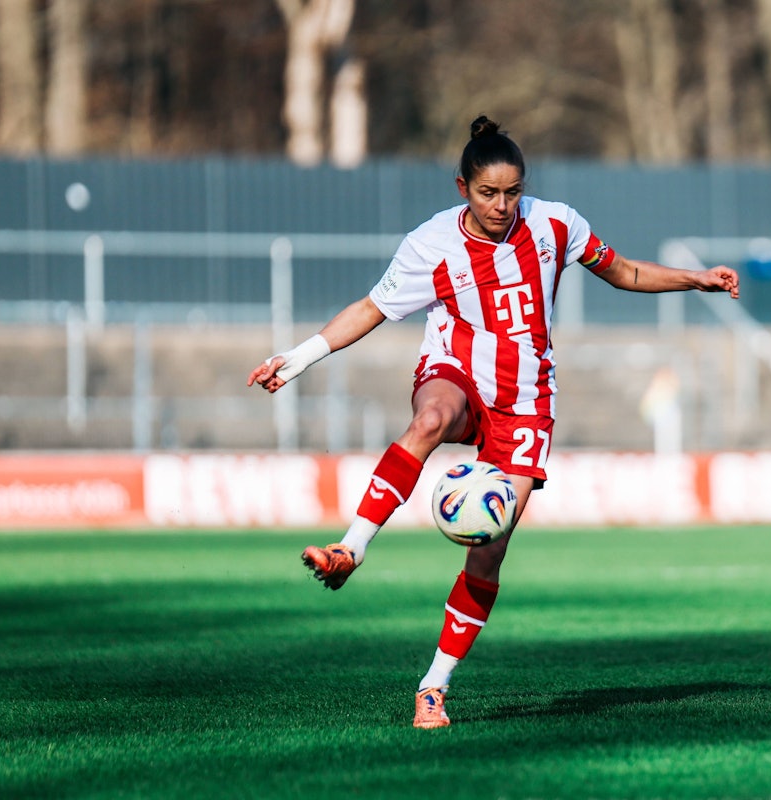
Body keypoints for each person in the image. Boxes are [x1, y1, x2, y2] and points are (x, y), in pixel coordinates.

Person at [247, 115, 740, 729]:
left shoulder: (556, 222)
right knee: (431, 417)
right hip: (457, 366)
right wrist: (294, 361)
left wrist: (696, 279)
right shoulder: (431, 243)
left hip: (527, 398)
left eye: (512, 191)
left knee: (489, 551)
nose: (503, 205)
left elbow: (623, 272)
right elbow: (372, 308)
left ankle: (434, 686)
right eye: (488, 193)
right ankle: (350, 549)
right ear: (462, 188)